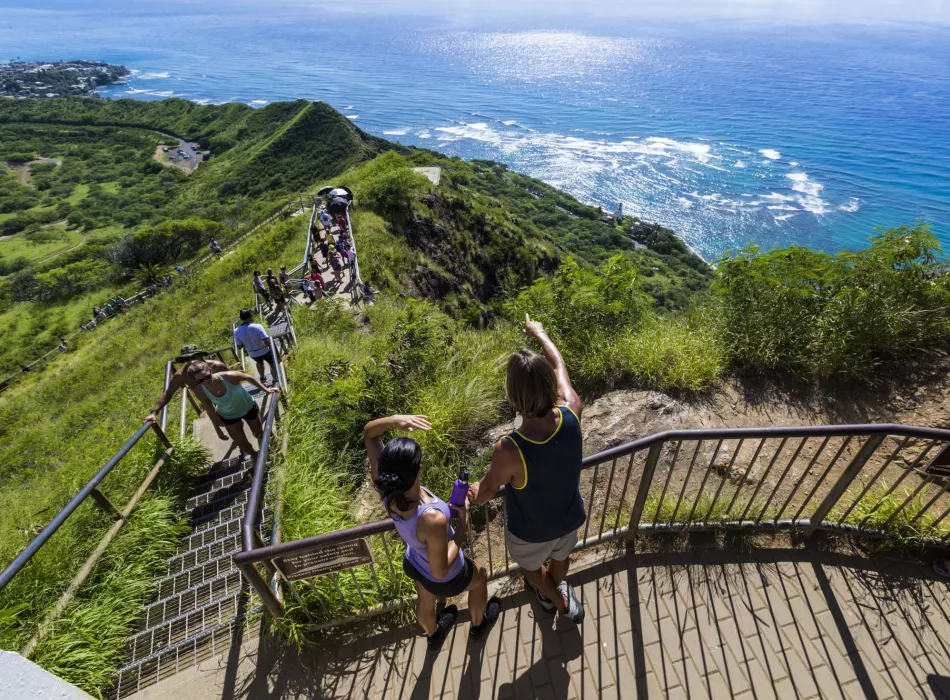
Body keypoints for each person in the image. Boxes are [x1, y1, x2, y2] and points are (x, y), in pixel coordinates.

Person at [470, 314, 586, 624]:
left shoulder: (509, 450)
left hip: (530, 531)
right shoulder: (572, 409)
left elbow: (486, 492)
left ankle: (557, 601)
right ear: (551, 385)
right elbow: (559, 365)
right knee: (561, 557)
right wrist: (541, 333)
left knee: (533, 570)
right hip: (569, 516)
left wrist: (471, 494)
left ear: (513, 395)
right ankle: (560, 587)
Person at [364, 414, 500, 652]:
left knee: (425, 600)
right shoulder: (431, 519)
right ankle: (479, 625)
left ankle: (433, 635)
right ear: (419, 470)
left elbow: (369, 433)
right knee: (480, 579)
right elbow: (440, 570)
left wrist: (395, 420)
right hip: (444, 576)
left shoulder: (385, 489)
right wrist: (462, 527)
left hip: (415, 562)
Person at [187, 362, 277, 460]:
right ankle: (256, 458)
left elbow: (248, 377)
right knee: (242, 444)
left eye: (207, 377)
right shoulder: (200, 391)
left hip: (247, 406)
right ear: (195, 380)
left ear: (210, 370)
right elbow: (210, 409)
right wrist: (217, 429)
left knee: (259, 433)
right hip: (228, 415)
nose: (205, 381)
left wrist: (266, 390)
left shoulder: (228, 377)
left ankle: (276, 447)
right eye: (200, 381)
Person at [144, 345, 232, 442]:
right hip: (208, 403)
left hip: (227, 398)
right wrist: (154, 412)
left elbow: (235, 381)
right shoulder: (181, 375)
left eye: (194, 357)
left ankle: (242, 446)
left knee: (232, 422)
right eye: (187, 359)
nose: (191, 361)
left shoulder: (216, 366)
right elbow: (168, 393)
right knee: (221, 423)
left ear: (201, 355)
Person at [233, 309, 279, 386]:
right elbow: (266, 341)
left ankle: (263, 379)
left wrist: (247, 342)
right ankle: (276, 379)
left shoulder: (236, 331)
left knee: (259, 363)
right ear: (251, 316)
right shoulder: (257, 327)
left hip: (252, 353)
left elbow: (239, 346)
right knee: (272, 363)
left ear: (241, 318)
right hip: (265, 350)